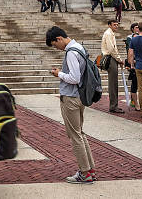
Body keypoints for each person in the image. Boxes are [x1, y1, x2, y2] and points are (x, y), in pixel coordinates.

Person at [46, 26, 96, 184]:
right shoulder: (79, 47)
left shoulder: (71, 52)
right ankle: (90, 169)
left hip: (71, 97)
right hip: (79, 96)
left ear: (59, 39)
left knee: (75, 136)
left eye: (55, 44)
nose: (57, 48)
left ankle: (84, 172)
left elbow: (74, 78)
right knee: (80, 133)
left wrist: (58, 74)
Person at [101, 19, 124, 113]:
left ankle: (114, 105)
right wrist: (119, 59)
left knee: (113, 83)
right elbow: (111, 49)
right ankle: (113, 106)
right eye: (114, 25)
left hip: (111, 58)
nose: (116, 26)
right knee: (113, 83)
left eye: (117, 25)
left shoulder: (110, 33)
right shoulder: (109, 34)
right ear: (109, 25)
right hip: (110, 59)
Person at [125, 22, 139, 108]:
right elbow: (129, 50)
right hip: (134, 62)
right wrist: (131, 61)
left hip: (141, 61)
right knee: (134, 82)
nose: (138, 29)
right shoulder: (130, 38)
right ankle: (134, 101)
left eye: (138, 27)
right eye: (136, 27)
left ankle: (141, 101)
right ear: (133, 29)